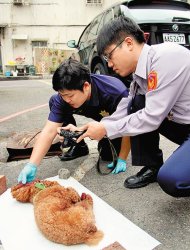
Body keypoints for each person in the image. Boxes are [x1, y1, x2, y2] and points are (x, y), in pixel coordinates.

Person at [63, 16, 190, 197]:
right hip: (184, 125)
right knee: (137, 103)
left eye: (109, 55)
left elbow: (152, 117)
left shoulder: (165, 58)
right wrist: (94, 127)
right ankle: (153, 166)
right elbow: (127, 106)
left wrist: (106, 128)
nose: (108, 63)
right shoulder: (140, 73)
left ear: (129, 43)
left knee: (173, 179)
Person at [18, 59, 131, 184]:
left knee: (108, 156)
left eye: (70, 96)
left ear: (86, 86)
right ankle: (78, 145)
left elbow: (127, 125)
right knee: (53, 101)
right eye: (62, 95)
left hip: (113, 120)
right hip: (96, 118)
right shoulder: (64, 97)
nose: (66, 100)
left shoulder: (116, 93)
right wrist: (32, 164)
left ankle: (105, 141)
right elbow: (49, 131)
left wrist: (122, 158)